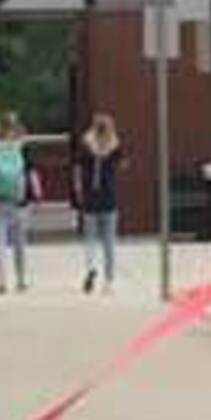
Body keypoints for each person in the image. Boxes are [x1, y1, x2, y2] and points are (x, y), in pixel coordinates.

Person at [0, 113, 37, 293]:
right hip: (19, 199)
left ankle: (1, 282)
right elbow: (31, 172)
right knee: (19, 242)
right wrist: (36, 193)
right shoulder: (22, 146)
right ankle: (21, 280)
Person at [74, 112, 128, 291]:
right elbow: (124, 163)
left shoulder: (85, 144)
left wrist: (78, 190)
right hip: (109, 196)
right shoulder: (114, 145)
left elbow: (78, 167)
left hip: (91, 196)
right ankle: (109, 280)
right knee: (109, 241)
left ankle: (91, 268)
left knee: (90, 238)